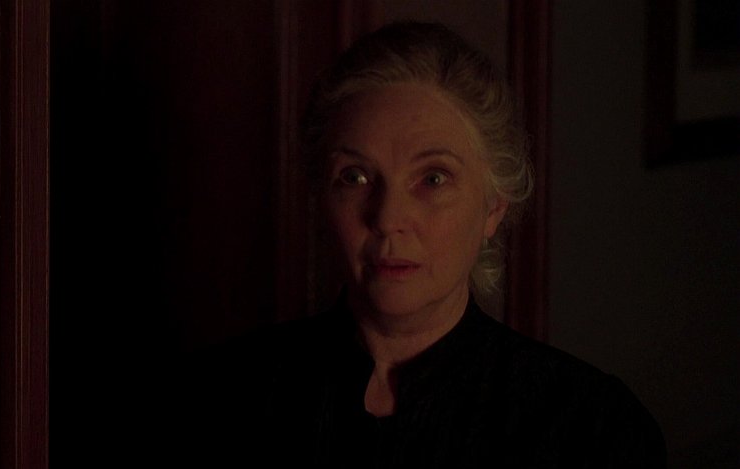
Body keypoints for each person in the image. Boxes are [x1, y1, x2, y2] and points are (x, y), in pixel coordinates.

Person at [182, 21, 666, 468]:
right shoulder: (221, 399)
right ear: (321, 200)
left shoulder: (590, 428)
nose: (388, 219)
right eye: (355, 177)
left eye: (433, 178)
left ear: (494, 206)